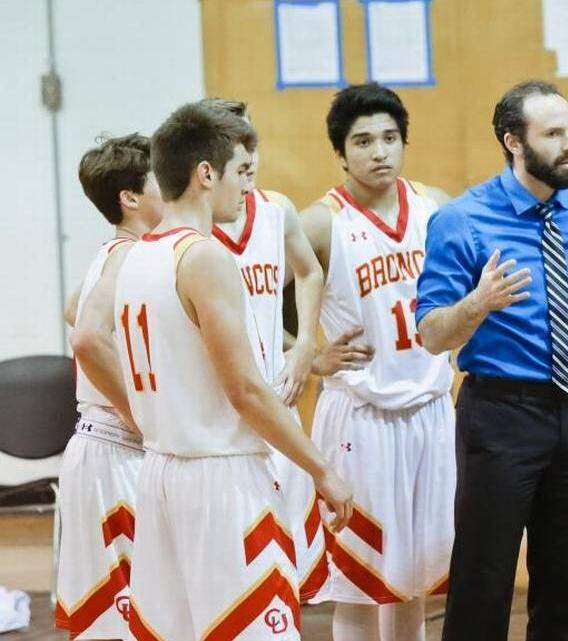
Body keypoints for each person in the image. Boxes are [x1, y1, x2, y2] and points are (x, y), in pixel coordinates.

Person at [74, 102, 352, 641]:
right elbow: (246, 389)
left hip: (159, 473)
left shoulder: (134, 254)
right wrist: (322, 469)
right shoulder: (204, 257)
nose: (246, 189)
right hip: (220, 479)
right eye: (238, 173)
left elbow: (88, 334)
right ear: (206, 173)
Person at [416, 80, 568, 641]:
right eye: (553, 134)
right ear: (514, 141)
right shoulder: (462, 219)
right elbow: (432, 335)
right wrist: (478, 304)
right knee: (484, 579)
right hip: (501, 413)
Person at [298, 82, 453, 641]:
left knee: (411, 580)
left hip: (431, 410)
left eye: (389, 138)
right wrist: (313, 357)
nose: (379, 151)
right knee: (358, 582)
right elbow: (259, 310)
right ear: (340, 153)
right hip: (360, 415)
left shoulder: (436, 207)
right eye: (362, 141)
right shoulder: (318, 223)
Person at [202, 97, 329, 602]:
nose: (249, 155)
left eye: (252, 140)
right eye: (237, 144)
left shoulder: (277, 211)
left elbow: (310, 271)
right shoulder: (190, 228)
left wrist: (303, 349)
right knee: (236, 571)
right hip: (221, 417)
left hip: (277, 403)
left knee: (288, 559)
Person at [60, 133, 162, 640]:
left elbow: (72, 308)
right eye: (159, 179)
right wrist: (138, 413)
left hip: (105, 448)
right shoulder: (126, 257)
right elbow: (84, 335)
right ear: (131, 197)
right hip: (113, 449)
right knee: (124, 622)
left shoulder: (118, 251)